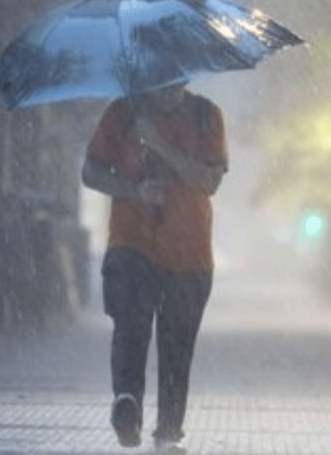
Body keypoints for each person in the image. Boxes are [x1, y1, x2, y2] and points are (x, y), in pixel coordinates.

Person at [82, 82, 228, 454]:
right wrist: (135, 190)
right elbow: (91, 173)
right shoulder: (122, 112)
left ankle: (168, 432)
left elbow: (209, 181)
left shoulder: (206, 115)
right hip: (131, 244)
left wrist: (161, 144)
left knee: (177, 347)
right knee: (130, 326)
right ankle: (127, 402)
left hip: (189, 253)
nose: (169, 79)